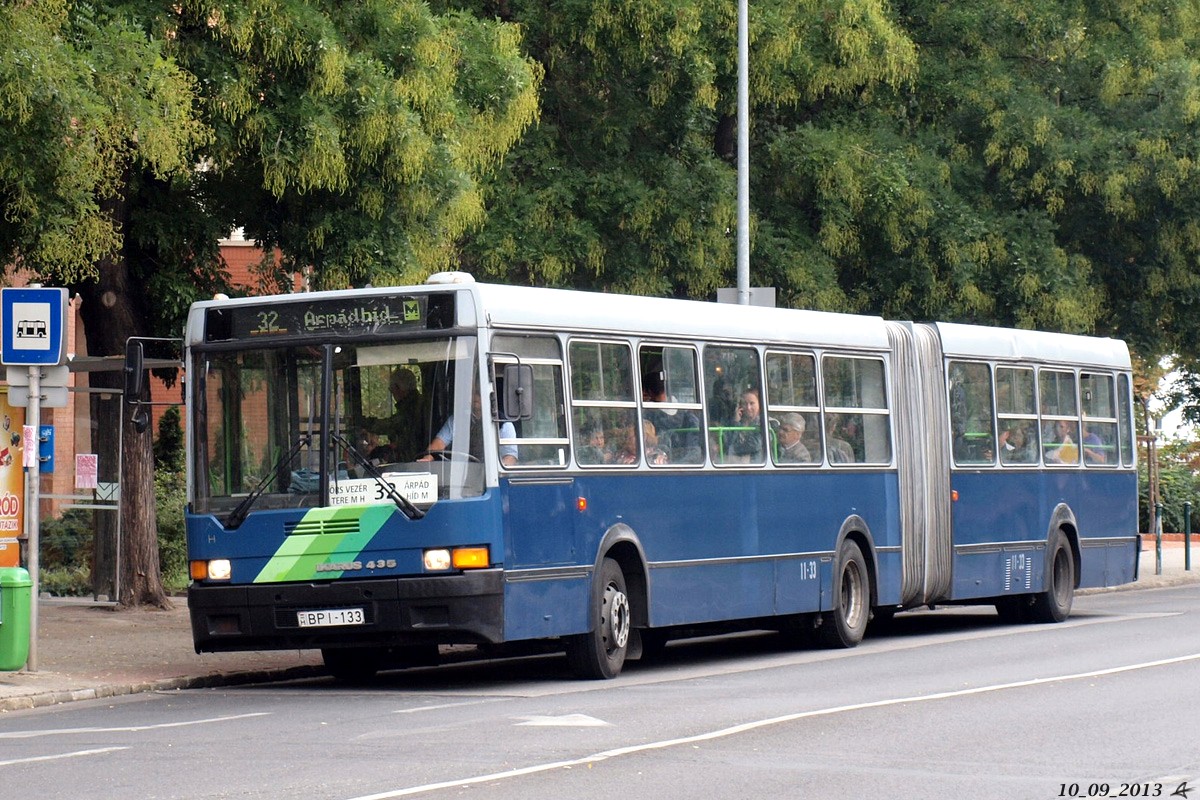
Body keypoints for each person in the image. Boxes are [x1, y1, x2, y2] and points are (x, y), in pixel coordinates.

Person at [420, 387, 517, 466]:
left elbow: (510, 458)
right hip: (457, 477)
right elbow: (438, 444)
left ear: (490, 395)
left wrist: (492, 471)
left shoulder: (503, 424)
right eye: (472, 392)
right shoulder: (456, 419)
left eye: (479, 392)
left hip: (488, 480)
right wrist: (427, 459)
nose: (475, 396)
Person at [360, 367, 424, 463]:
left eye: (392, 389)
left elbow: (391, 425)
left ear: (399, 388)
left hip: (412, 459)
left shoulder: (412, 407)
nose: (392, 393)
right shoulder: (416, 402)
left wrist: (365, 423)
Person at [726, 388, 764, 461]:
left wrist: (733, 448)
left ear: (759, 404)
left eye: (752, 403)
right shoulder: (736, 422)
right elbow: (728, 442)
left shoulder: (764, 422)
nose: (748, 407)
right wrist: (736, 422)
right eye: (744, 403)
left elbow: (754, 445)